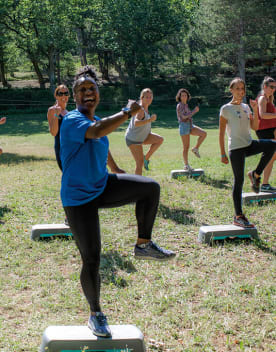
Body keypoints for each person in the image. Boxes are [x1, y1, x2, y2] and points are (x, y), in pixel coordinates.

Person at [59, 66, 175, 338]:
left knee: (150, 188)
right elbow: (97, 131)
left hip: (102, 185)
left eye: (92, 89)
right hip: (78, 199)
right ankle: (95, 313)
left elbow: (101, 141)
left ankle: (143, 244)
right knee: (92, 259)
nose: (88, 93)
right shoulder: (73, 120)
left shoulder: (96, 119)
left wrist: (117, 169)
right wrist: (127, 112)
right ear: (75, 96)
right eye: (82, 90)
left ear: (98, 93)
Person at [219, 77, 276, 228]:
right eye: (237, 88)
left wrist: (255, 109)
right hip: (236, 149)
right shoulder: (225, 109)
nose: (240, 91)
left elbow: (255, 127)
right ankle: (238, 216)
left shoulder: (246, 106)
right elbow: (221, 133)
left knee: (272, 145)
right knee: (239, 181)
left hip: (249, 144)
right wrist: (222, 153)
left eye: (242, 89)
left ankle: (256, 174)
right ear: (231, 90)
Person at [125, 88, 163, 175]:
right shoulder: (141, 110)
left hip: (143, 137)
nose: (149, 99)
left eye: (150, 97)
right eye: (146, 97)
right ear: (142, 98)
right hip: (133, 139)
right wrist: (150, 120)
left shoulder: (143, 107)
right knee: (139, 164)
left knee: (159, 140)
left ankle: (146, 158)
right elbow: (136, 123)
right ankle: (138, 184)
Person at [176, 88, 207, 172]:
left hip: (190, 125)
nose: (184, 97)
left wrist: (193, 112)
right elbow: (184, 117)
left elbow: (188, 116)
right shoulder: (180, 105)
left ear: (187, 96)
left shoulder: (185, 105)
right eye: (182, 95)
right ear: (180, 97)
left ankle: (195, 148)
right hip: (184, 126)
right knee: (186, 147)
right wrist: (194, 111)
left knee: (203, 134)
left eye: (185, 95)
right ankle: (186, 165)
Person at [255, 76, 276, 192]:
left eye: (275, 87)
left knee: (272, 156)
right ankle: (259, 177)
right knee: (270, 156)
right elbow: (262, 115)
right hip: (264, 130)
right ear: (265, 87)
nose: (273, 89)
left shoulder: (269, 98)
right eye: (271, 87)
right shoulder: (262, 98)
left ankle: (263, 182)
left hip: (270, 130)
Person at [47, 85, 70, 170]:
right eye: (61, 94)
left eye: (66, 93)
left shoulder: (68, 112)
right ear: (56, 96)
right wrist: (57, 115)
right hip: (61, 148)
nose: (63, 96)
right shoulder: (52, 110)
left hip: (70, 147)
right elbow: (53, 133)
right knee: (67, 173)